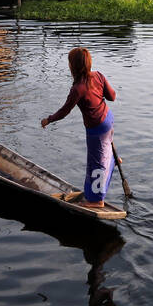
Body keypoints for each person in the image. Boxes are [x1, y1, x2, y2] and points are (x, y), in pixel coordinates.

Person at [41, 48, 118, 208]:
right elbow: (112, 96)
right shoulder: (98, 75)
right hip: (108, 119)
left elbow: (64, 111)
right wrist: (99, 90)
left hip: (97, 127)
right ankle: (113, 159)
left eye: (69, 62)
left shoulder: (78, 88)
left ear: (73, 66)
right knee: (102, 154)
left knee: (96, 162)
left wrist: (49, 119)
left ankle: (96, 200)